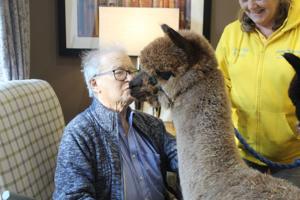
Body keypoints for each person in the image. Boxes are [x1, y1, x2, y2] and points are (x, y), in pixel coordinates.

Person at [53, 46, 179, 199]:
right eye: (119, 72)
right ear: (95, 84)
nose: (131, 79)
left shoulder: (151, 124)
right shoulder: (79, 134)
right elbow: (72, 196)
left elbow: (184, 157)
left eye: (132, 71)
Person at [216, 0, 300, 186]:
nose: (251, 5)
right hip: (244, 155)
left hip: (294, 159)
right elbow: (221, 84)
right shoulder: (232, 33)